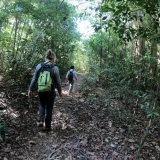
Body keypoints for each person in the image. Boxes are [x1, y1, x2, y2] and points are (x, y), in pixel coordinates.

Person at [28, 49, 62, 131]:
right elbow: (58, 81)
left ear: (46, 57)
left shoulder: (39, 66)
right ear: (53, 58)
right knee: (49, 108)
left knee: (42, 104)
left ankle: (40, 120)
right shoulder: (55, 68)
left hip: (41, 90)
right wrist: (60, 91)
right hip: (50, 91)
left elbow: (34, 79)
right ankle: (47, 126)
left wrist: (30, 89)